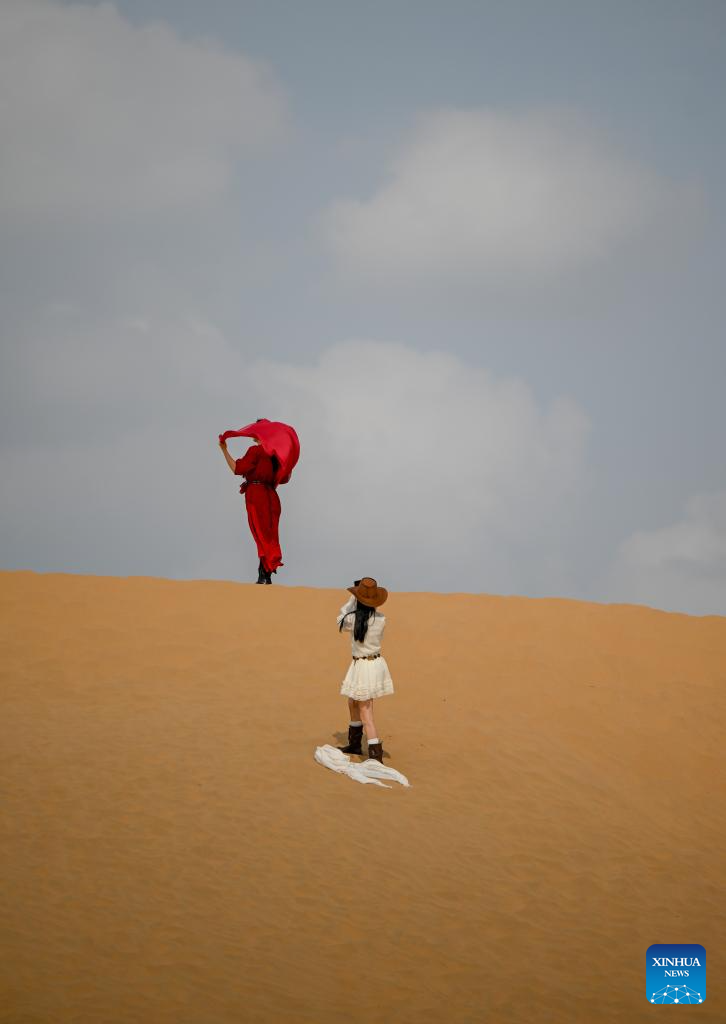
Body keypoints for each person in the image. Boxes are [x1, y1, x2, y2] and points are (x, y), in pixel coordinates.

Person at [336, 577, 394, 764]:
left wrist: (353, 599)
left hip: (363, 666)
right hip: (373, 664)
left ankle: (375, 755)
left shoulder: (352, 619)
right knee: (352, 702)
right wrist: (359, 599)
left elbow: (340, 618)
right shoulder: (381, 619)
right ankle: (354, 744)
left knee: (365, 710)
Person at [219, 426, 283, 584]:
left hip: (257, 494)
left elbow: (237, 468)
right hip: (272, 497)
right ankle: (265, 573)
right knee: (268, 536)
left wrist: (224, 450)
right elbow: (285, 476)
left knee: (261, 535)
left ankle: (264, 575)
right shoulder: (276, 456)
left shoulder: (256, 451)